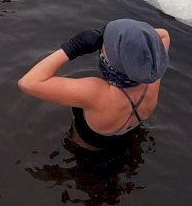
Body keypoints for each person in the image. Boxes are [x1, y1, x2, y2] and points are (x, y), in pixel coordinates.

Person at [18, 19, 171, 152]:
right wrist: (128, 40)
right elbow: (163, 35)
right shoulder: (153, 76)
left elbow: (28, 83)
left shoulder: (96, 93)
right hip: (126, 137)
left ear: (112, 61)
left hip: (87, 148)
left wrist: (73, 47)